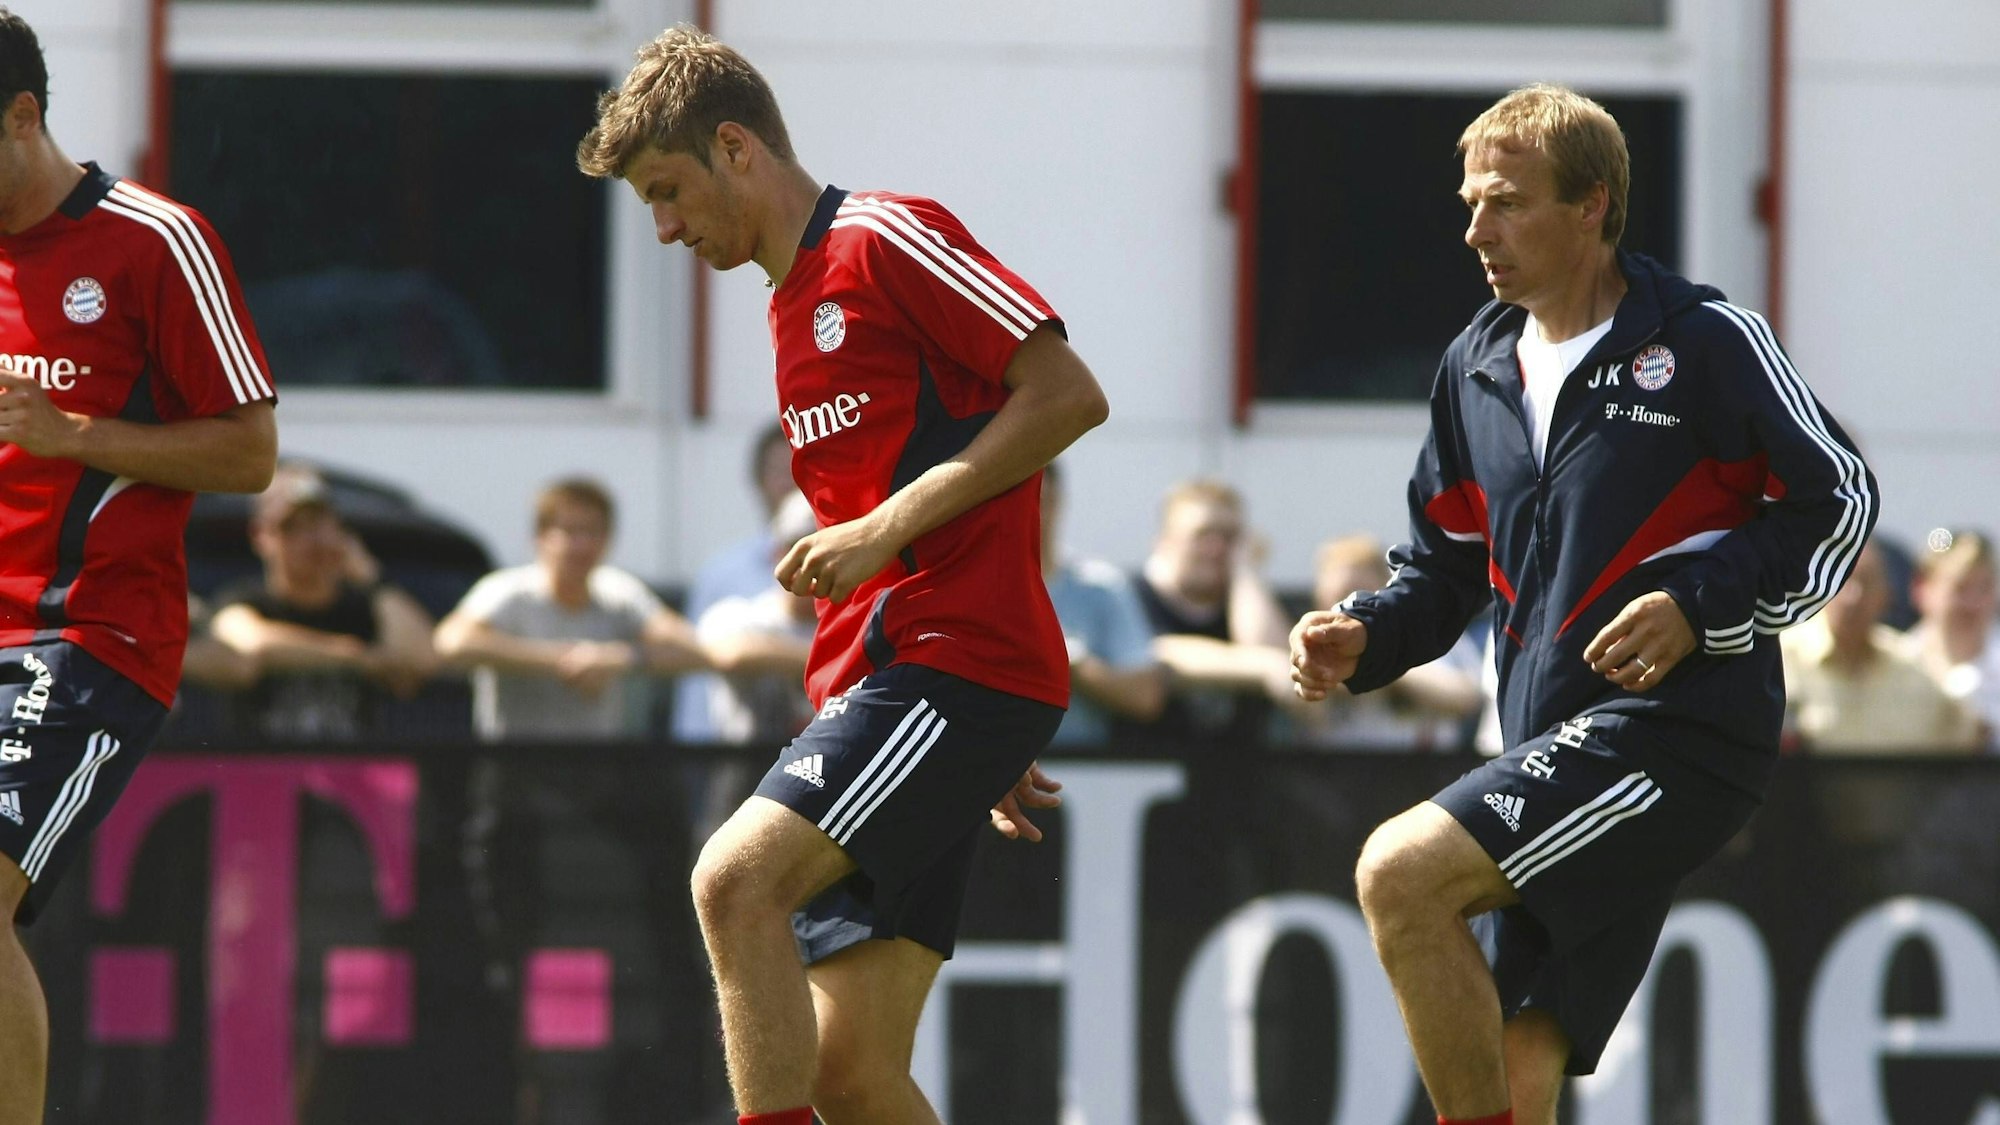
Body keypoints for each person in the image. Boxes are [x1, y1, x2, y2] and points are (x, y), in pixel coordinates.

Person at [1288, 84, 1877, 1125]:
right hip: (1545, 743)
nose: (1476, 230)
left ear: (1593, 205)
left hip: (1676, 737)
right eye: (1469, 203)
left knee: (1399, 875)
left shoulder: (1700, 339)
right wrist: (1363, 636)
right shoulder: (1471, 365)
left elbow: (1840, 499)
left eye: (1507, 203)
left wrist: (1698, 607)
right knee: (1518, 1064)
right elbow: (1443, 569)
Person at [577, 26, 1107, 1125]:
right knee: (847, 1074)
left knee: (732, 884)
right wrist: (963, 755)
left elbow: (1064, 394)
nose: (666, 228)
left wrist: (886, 540)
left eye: (667, 192)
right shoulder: (789, 302)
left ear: (735, 148)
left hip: (949, 666)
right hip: (922, 693)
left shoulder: (882, 238)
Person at [0, 10, 279, 1121]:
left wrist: (79, 437)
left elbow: (250, 452)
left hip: (86, 636)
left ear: (23, 116)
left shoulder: (153, 238)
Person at [434, 475, 707, 742]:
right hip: (514, 769)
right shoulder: (508, 591)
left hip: (593, 770)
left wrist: (616, 658)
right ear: (541, 537)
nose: (583, 545)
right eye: (571, 531)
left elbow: (690, 648)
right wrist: (561, 660)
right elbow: (451, 642)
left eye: (593, 532)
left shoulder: (619, 593)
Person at [210, 464, 436, 741]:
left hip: (354, 779)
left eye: (319, 523)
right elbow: (248, 646)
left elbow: (421, 656)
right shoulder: (244, 600)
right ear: (261, 536)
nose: (310, 539)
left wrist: (373, 579)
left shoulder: (364, 609)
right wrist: (358, 658)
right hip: (267, 779)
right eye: (292, 528)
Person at [1126, 479, 1296, 747]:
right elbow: (1154, 655)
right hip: (1144, 771)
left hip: (1241, 775)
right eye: (1203, 534)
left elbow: (1284, 666)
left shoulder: (1249, 603)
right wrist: (1263, 668)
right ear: (1164, 542)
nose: (1217, 549)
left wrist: (1246, 571)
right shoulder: (1130, 596)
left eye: (1229, 537)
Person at [1780, 540, 1979, 754]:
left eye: (1866, 583)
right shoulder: (1781, 659)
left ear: (1886, 596)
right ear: (1820, 586)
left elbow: (1966, 742)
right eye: (1843, 581)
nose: (1853, 597)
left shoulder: (1911, 668)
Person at [1295, 534, 1481, 752]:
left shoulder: (1427, 632)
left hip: (1424, 774)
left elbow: (1467, 699)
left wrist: (1380, 661)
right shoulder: (1314, 646)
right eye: (1337, 599)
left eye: (1357, 595)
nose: (1347, 608)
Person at [675, 421, 798, 743]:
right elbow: (699, 672)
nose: (794, 482)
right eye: (781, 470)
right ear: (758, 480)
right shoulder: (723, 571)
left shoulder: (861, 564)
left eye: (804, 468)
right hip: (732, 758)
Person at [1039, 459, 1165, 747]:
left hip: (1080, 773)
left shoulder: (1101, 587)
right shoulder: (970, 589)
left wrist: (1073, 664)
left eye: (1041, 501)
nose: (1032, 513)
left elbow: (1146, 696)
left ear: (1058, 503)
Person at [1908, 528, 2000, 747]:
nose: (1973, 603)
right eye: (1960, 588)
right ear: (1922, 589)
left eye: (1984, 588)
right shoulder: (1893, 663)